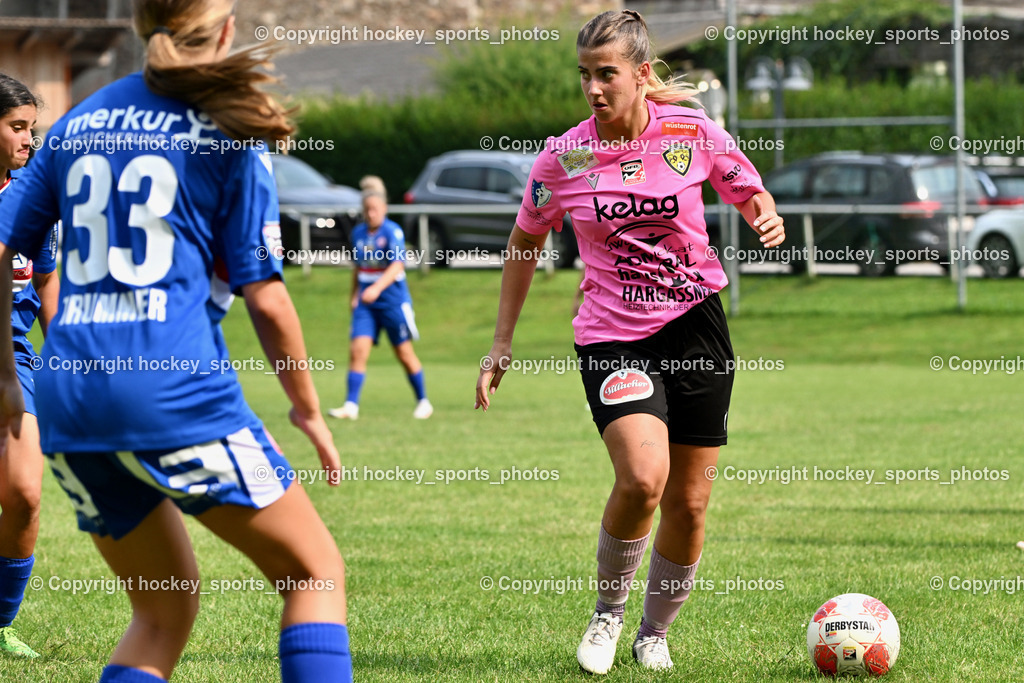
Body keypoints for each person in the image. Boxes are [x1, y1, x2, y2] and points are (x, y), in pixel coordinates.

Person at [0, 2, 351, 681]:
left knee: (163, 610)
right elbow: (269, 299)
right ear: (223, 31)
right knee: (315, 573)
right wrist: (305, 408)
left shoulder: (79, 119)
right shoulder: (229, 125)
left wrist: (11, 379)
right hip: (166, 392)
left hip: (71, 403)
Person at [475, 9, 785, 675]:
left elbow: (744, 184)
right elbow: (524, 241)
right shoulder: (564, 156)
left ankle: (655, 632)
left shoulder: (689, 131)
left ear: (642, 75)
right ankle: (608, 613)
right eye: (584, 74)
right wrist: (501, 341)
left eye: (606, 74)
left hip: (696, 325)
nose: (593, 87)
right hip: (613, 336)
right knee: (644, 477)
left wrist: (763, 210)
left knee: (691, 500)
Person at [0, 73, 58, 659]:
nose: (29, 139)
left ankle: (0, 624)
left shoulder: (31, 196)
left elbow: (45, 276)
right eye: (17, 127)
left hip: (15, 360)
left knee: (23, 492)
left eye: (32, 128)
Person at [328, 175, 432, 421]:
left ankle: (423, 401)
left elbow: (397, 265)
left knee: (403, 353)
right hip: (366, 303)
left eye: (375, 209)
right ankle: (350, 406)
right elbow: (358, 267)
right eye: (367, 210)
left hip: (392, 300)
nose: (371, 213)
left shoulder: (392, 232)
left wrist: (376, 288)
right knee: (357, 350)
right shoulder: (358, 233)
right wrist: (354, 295)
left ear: (384, 208)